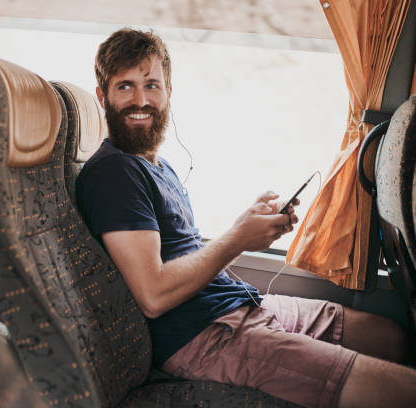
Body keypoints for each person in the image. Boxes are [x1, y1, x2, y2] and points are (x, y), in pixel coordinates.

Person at [75, 28, 416, 408]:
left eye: (151, 85)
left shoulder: (157, 166)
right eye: (125, 87)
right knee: (404, 391)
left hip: (237, 305)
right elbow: (153, 295)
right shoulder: (115, 173)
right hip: (203, 336)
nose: (141, 100)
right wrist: (238, 238)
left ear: (169, 93)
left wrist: (248, 226)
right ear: (102, 96)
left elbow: (184, 256)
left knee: (389, 336)